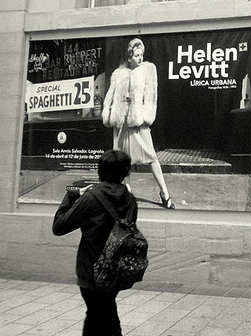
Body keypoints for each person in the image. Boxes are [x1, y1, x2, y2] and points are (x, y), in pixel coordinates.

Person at [52, 150, 138, 336]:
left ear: (101, 170)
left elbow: (59, 226)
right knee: (96, 316)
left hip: (91, 272)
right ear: (125, 171)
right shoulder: (130, 200)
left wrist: (72, 195)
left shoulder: (92, 198)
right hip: (116, 270)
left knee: (108, 322)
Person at [102, 38, 175, 209]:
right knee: (121, 161)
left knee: (152, 158)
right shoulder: (118, 74)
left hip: (138, 122)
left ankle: (165, 193)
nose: (140, 58)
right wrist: (110, 114)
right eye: (136, 55)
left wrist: (143, 115)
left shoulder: (148, 70)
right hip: (122, 124)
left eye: (141, 55)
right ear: (129, 57)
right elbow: (110, 97)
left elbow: (151, 97)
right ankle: (127, 193)